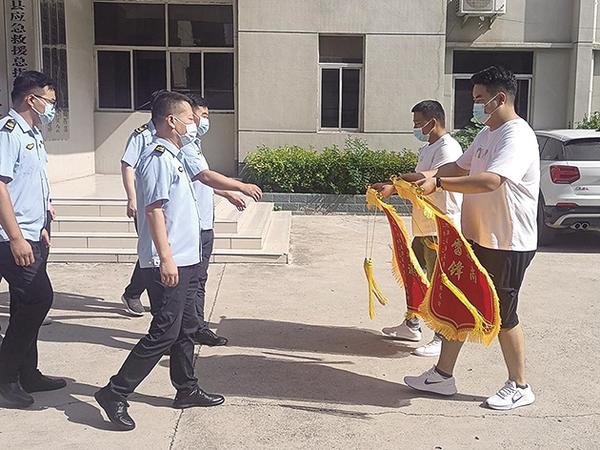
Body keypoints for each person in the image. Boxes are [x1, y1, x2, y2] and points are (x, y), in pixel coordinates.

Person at [401, 66, 540, 410]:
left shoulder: (517, 136)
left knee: (503, 315)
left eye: (479, 99)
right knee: (459, 303)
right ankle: (442, 375)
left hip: (507, 242)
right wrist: (416, 178)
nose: (475, 106)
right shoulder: (487, 134)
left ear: (500, 98)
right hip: (477, 237)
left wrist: (438, 183)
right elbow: (459, 167)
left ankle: (519, 385)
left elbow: (491, 181)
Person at [95, 92, 225, 431]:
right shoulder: (156, 158)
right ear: (171, 121)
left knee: (185, 328)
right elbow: (153, 211)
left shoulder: (175, 155)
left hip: (186, 257)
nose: (195, 124)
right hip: (168, 261)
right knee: (164, 332)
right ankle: (115, 392)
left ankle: (186, 388)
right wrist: (166, 259)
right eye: (190, 119)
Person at [0, 71, 66, 408]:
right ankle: (4, 378)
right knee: (40, 298)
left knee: (24, 304)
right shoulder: (8, 133)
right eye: (50, 101)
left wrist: (41, 221)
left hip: (33, 233)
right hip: (12, 238)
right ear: (32, 99)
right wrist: (15, 238)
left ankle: (28, 372)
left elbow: (28, 185)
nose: (53, 108)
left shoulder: (33, 134)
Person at [377, 100, 462, 358]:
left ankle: (441, 336)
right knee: (414, 274)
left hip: (440, 226)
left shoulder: (448, 148)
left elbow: (431, 178)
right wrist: (393, 188)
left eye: (418, 124)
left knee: (439, 283)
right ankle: (412, 323)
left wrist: (395, 185)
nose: (416, 128)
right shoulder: (428, 148)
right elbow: (417, 186)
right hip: (423, 226)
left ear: (432, 122)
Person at [181, 94, 261, 346]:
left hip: (205, 224)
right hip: (192, 227)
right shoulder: (183, 146)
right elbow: (204, 176)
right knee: (190, 284)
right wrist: (240, 186)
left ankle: (197, 328)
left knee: (199, 280)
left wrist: (227, 194)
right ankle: (184, 334)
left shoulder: (194, 144)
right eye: (200, 116)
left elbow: (202, 181)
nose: (204, 121)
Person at [119, 92, 166, 316]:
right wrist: (132, 198)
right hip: (146, 204)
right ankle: (134, 293)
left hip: (165, 204)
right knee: (152, 250)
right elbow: (127, 165)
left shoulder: (172, 135)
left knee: (159, 249)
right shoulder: (142, 135)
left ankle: (137, 292)